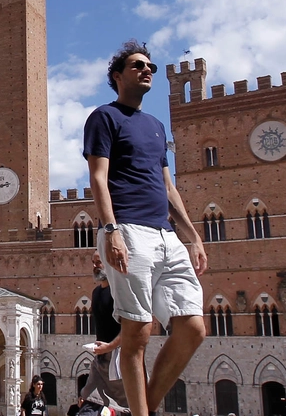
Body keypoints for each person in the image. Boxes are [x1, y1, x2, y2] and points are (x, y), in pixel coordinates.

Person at [84, 40, 207, 416]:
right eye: (138, 65)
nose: (147, 70)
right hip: (129, 232)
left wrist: (193, 235)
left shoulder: (156, 127)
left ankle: (144, 409)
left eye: (151, 66)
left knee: (193, 328)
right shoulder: (104, 117)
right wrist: (110, 231)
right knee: (137, 335)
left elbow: (169, 187)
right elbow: (98, 178)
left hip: (166, 236)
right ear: (118, 76)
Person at [77, 253, 126, 414]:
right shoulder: (96, 293)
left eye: (99, 262)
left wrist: (110, 346)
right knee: (86, 399)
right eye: (93, 262)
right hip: (100, 358)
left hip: (119, 358)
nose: (95, 266)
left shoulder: (119, 291)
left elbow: (131, 328)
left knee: (126, 404)